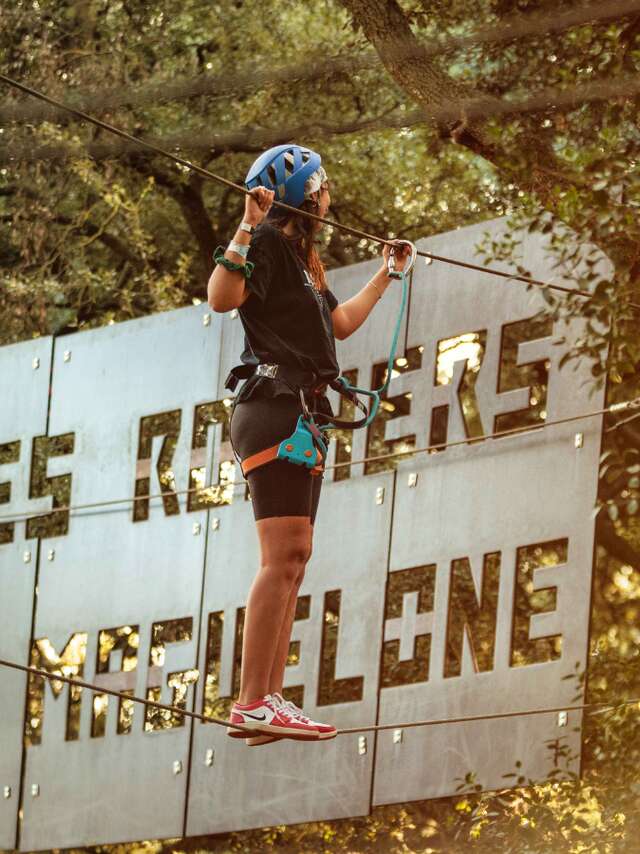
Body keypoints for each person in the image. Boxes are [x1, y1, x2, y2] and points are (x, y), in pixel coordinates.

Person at [207, 144, 409, 746]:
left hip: (300, 413)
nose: (330, 197)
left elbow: (338, 325)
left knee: (295, 558)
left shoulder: (300, 259)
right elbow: (222, 297)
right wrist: (247, 223)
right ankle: (253, 701)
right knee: (284, 557)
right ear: (302, 193)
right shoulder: (266, 242)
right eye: (322, 187)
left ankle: (264, 700)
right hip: (274, 407)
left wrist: (387, 273)